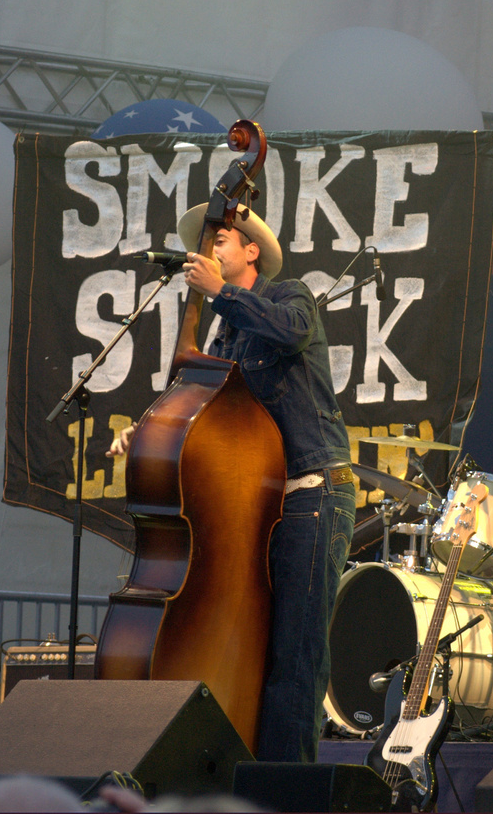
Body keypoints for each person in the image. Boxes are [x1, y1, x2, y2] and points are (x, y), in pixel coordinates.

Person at [110, 205, 354, 762]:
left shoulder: (290, 295)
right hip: (260, 511)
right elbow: (209, 412)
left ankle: (284, 789)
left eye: (222, 239)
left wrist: (221, 294)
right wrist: (149, 430)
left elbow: (291, 334)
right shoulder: (222, 338)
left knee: (296, 653)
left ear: (251, 252)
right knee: (258, 652)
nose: (211, 248)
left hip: (312, 492)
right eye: (210, 242)